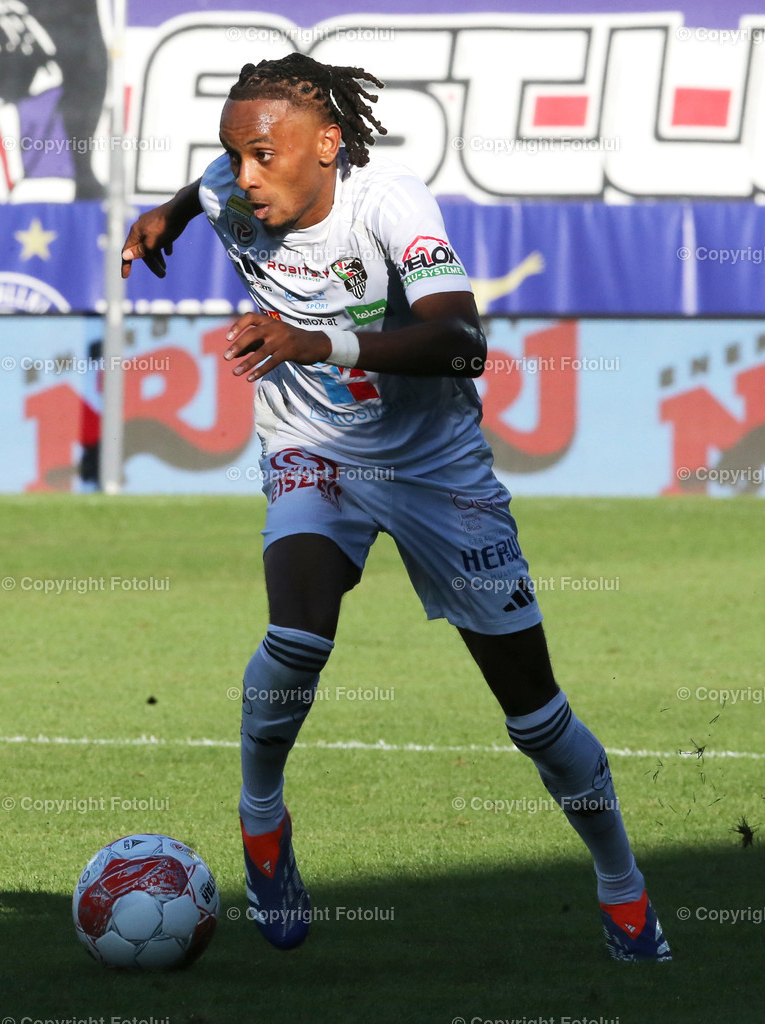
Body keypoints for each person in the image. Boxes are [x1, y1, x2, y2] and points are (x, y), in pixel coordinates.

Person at [122, 52, 671, 962]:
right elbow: (210, 180)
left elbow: (461, 343)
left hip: (437, 469)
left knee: (532, 710)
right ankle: (262, 820)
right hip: (313, 448)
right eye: (234, 157)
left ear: (328, 143)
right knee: (297, 633)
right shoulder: (230, 183)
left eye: (265, 154)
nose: (245, 176)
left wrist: (313, 339)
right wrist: (165, 214)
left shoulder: (393, 204)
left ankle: (621, 884)